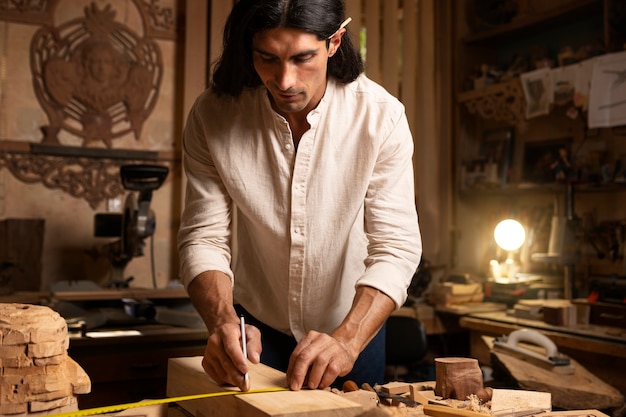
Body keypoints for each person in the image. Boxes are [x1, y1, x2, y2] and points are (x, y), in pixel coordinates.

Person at [177, 0, 422, 393]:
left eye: (303, 58)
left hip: (353, 329)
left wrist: (347, 339)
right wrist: (222, 321)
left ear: (334, 42)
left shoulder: (381, 117)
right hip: (254, 330)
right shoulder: (213, 116)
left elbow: (396, 247)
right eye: (267, 58)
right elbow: (203, 237)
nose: (285, 80)